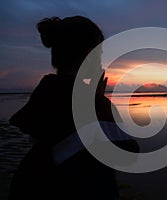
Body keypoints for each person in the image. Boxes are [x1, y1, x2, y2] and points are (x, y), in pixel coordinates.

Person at [9, 16, 138, 200]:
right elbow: (128, 154)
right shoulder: (93, 103)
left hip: (37, 184)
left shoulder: (45, 91)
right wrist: (98, 99)